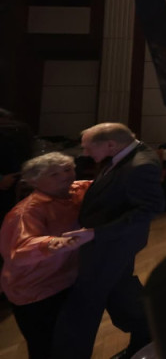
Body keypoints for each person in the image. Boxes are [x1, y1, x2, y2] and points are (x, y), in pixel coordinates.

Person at [52, 123, 165, 359]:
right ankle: (149, 334)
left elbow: (149, 210)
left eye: (88, 148)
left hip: (112, 243)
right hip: (112, 242)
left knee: (84, 305)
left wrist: (96, 233)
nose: (84, 153)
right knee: (121, 292)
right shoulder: (128, 154)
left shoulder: (140, 165)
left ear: (111, 144)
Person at [0, 152, 94, 359]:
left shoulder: (77, 190)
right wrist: (56, 243)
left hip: (66, 280)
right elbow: (19, 251)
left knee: (69, 341)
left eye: (68, 169)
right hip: (35, 289)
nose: (65, 176)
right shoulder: (26, 211)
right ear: (34, 181)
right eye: (54, 174)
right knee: (45, 346)